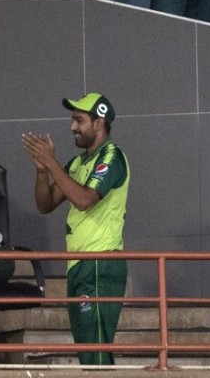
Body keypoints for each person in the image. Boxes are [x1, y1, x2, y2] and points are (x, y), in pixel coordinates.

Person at [21, 93, 129, 366]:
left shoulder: (112, 157)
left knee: (97, 352)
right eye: (73, 120)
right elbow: (45, 205)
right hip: (79, 265)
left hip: (99, 264)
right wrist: (42, 171)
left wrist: (53, 163)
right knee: (88, 352)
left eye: (79, 120)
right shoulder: (78, 163)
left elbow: (83, 200)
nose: (72, 127)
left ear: (99, 123)